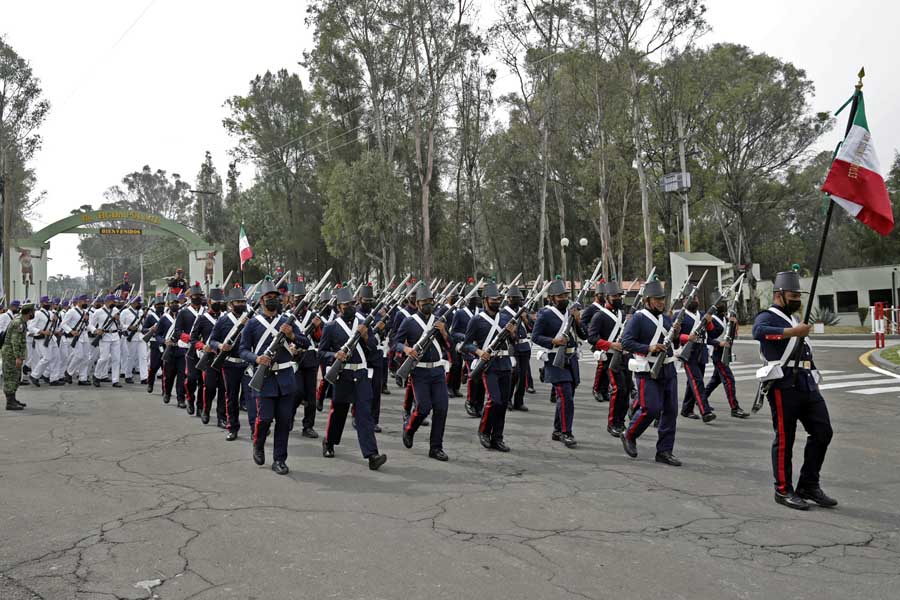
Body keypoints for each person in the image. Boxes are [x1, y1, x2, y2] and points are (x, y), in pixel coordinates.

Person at [752, 270, 836, 510]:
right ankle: (782, 489)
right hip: (783, 384)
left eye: (799, 294)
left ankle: (808, 484)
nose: (797, 299)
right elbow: (758, 332)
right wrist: (792, 333)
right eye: (793, 294)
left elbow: (804, 353)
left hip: (806, 383)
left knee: (823, 432)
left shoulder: (795, 320)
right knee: (785, 438)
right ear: (779, 295)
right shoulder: (768, 316)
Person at [239, 280, 310, 475]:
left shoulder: (287, 321)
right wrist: (256, 358)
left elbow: (306, 342)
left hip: (286, 378)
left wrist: (292, 337)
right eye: (269, 298)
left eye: (275, 298)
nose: (273, 301)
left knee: (284, 421)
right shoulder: (252, 324)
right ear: (261, 300)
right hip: (265, 379)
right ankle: (258, 444)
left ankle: (279, 459)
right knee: (265, 419)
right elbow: (243, 350)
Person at [317, 286, 387, 470]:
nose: (349, 307)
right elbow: (321, 352)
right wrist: (334, 356)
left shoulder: (364, 324)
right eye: (345, 305)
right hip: (342, 375)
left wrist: (365, 337)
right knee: (338, 412)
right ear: (339, 307)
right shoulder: (331, 327)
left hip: (361, 375)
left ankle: (372, 455)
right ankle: (329, 442)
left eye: (351, 304)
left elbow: (373, 351)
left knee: (365, 415)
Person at [619, 280, 683, 466]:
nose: (661, 302)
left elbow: (673, 346)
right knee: (651, 409)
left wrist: (677, 335)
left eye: (662, 299)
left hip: (668, 369)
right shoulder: (638, 318)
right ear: (647, 300)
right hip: (647, 369)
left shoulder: (667, 319)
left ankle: (664, 451)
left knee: (670, 412)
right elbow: (626, 343)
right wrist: (649, 347)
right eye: (657, 299)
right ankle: (629, 434)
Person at [395, 283, 451, 461]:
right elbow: (395, 342)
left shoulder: (439, 320)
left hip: (437, 370)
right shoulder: (409, 322)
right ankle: (410, 430)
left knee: (442, 408)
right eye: (425, 301)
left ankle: (436, 447)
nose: (428, 304)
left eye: (431, 301)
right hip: (419, 372)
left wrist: (444, 332)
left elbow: (448, 346)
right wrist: (406, 349)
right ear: (417, 303)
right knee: (424, 408)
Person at [463, 282, 518, 452]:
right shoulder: (476, 320)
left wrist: (512, 333)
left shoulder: (505, 318)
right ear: (485, 300)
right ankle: (484, 431)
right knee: (493, 400)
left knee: (502, 403)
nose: (497, 301)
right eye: (494, 299)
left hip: (505, 364)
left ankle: (498, 437)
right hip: (489, 365)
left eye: (499, 299)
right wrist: (479, 352)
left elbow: (512, 342)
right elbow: (466, 345)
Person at [532, 279, 585, 448]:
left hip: (571, 359)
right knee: (565, 395)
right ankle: (566, 432)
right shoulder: (545, 313)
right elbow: (535, 336)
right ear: (552, 298)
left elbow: (583, 335)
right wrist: (553, 341)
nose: (564, 298)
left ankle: (557, 429)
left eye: (565, 295)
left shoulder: (571, 312)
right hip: (555, 359)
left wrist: (577, 320)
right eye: (560, 296)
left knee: (567, 396)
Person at [587, 281, 630, 437]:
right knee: (618, 390)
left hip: (625, 356)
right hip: (610, 357)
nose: (618, 298)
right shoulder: (599, 315)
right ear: (607, 297)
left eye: (619, 295)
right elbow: (591, 337)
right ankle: (612, 423)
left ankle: (621, 421)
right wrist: (610, 344)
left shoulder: (623, 314)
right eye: (614, 296)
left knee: (626, 391)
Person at [208, 286, 250, 441]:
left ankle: (255, 428)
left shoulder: (251, 319)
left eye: (243, 301)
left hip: (247, 364)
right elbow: (212, 340)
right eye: (238, 301)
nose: (241, 304)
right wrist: (220, 346)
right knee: (231, 398)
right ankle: (232, 427)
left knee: (251, 398)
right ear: (231, 304)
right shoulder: (223, 320)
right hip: (230, 364)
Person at [704, 290, 748, 418]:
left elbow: (731, 336)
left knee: (715, 380)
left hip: (725, 352)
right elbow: (706, 338)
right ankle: (734, 408)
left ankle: (701, 399)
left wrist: (733, 323)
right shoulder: (711, 319)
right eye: (720, 303)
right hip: (717, 353)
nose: (723, 305)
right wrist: (719, 344)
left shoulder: (725, 318)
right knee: (729, 380)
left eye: (723, 302)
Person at [676, 285, 717, 423]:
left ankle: (686, 409)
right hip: (688, 351)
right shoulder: (679, 315)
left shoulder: (702, 314)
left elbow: (710, 331)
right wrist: (687, 338)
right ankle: (705, 410)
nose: (694, 300)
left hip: (701, 350)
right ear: (683, 300)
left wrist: (709, 321)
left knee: (692, 382)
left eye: (695, 298)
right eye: (690, 298)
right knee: (697, 381)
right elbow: (675, 336)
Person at [172, 285, 205, 415]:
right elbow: (178, 331)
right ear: (190, 298)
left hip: (203, 349)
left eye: (199, 296)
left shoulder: (206, 312)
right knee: (191, 378)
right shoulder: (183, 313)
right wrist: (191, 338)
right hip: (189, 349)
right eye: (195, 296)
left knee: (203, 381)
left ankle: (201, 406)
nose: (198, 298)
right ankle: (190, 399)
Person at [194, 288, 225, 425]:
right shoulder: (202, 319)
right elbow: (193, 339)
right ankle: (205, 410)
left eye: (220, 301)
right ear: (209, 302)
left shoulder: (226, 318)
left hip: (224, 358)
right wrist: (202, 346)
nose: (218, 303)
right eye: (215, 301)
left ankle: (221, 417)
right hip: (209, 358)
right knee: (210, 387)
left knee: (224, 389)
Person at [450, 284, 482, 417]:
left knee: (480, 377)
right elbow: (453, 332)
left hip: (480, 347)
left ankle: (478, 402)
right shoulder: (460, 313)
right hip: (467, 347)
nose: (476, 300)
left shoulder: (480, 312)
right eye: (473, 298)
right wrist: (465, 337)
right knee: (473, 375)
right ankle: (470, 401)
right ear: (467, 300)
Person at [504, 285, 533, 412]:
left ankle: (519, 401)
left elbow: (532, 328)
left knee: (522, 376)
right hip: (512, 346)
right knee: (514, 373)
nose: (517, 300)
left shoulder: (523, 311)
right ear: (509, 298)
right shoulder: (503, 312)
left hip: (524, 346)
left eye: (519, 298)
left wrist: (526, 320)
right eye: (515, 298)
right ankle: (508, 399)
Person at [3, 302, 34, 410]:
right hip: (10, 354)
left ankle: (13, 399)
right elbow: (15, 341)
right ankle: (10, 402)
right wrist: (17, 357)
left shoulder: (22, 321)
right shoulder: (18, 323)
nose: (33, 313)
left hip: (13, 353)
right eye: (32, 312)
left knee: (16, 377)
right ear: (29, 312)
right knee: (11, 377)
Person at [89, 295, 122, 388]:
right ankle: (97, 376)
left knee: (116, 359)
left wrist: (118, 320)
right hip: (104, 336)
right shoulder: (98, 312)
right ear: (107, 301)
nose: (115, 303)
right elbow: (90, 325)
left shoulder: (116, 311)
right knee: (104, 358)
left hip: (115, 336)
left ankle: (115, 380)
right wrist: (95, 330)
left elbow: (121, 326)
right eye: (113, 302)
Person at [159, 294, 186, 406]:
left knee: (181, 376)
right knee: (169, 375)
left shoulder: (183, 316)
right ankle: (167, 393)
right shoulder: (164, 318)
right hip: (169, 350)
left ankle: (181, 399)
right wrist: (164, 341)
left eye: (176, 303)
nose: (175, 305)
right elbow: (158, 335)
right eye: (172, 303)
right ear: (168, 304)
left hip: (181, 349)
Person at [62, 295, 92, 386]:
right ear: (79, 301)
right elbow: (63, 324)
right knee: (79, 356)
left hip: (84, 335)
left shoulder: (85, 312)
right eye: (84, 301)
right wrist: (71, 331)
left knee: (86, 358)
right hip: (75, 336)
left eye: (86, 301)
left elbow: (88, 325)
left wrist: (94, 329)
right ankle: (69, 372)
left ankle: (83, 378)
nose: (86, 303)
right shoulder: (71, 311)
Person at [142, 296, 166, 394]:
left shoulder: (167, 316)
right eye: (159, 305)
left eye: (162, 305)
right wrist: (150, 329)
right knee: (154, 366)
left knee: (166, 368)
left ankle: (165, 389)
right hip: (155, 344)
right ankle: (150, 383)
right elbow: (144, 329)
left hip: (165, 343)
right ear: (155, 306)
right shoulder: (151, 317)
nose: (161, 306)